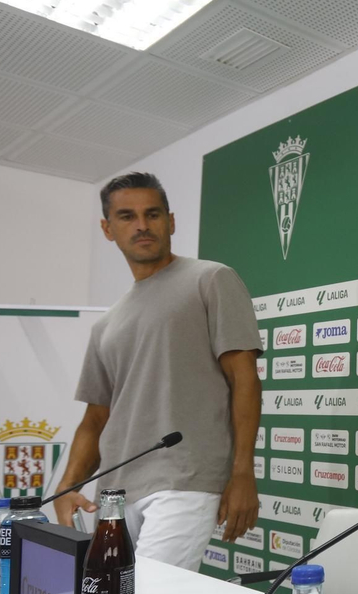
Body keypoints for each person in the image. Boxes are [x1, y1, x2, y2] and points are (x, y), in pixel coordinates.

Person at [52, 172, 263, 570]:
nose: (142, 225)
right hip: (113, 491)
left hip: (185, 480)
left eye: (152, 214)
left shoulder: (211, 279)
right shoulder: (107, 323)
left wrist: (242, 473)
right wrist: (66, 486)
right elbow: (96, 418)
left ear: (171, 221)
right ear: (108, 228)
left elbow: (245, 379)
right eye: (127, 216)